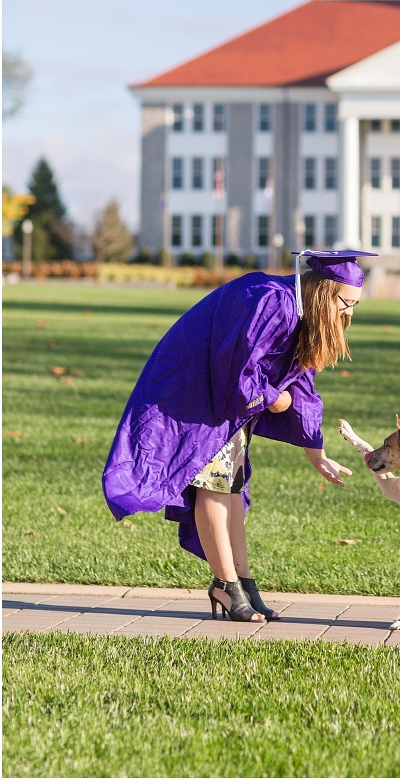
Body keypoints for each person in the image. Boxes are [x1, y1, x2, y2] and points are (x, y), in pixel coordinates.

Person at [103, 250, 373, 623]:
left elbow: (302, 382)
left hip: (227, 397)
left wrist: (316, 451)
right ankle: (225, 584)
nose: (350, 313)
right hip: (198, 391)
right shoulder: (274, 302)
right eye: (346, 302)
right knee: (214, 484)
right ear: (324, 291)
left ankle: (242, 582)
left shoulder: (300, 312)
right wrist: (274, 398)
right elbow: (239, 368)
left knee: (231, 487)